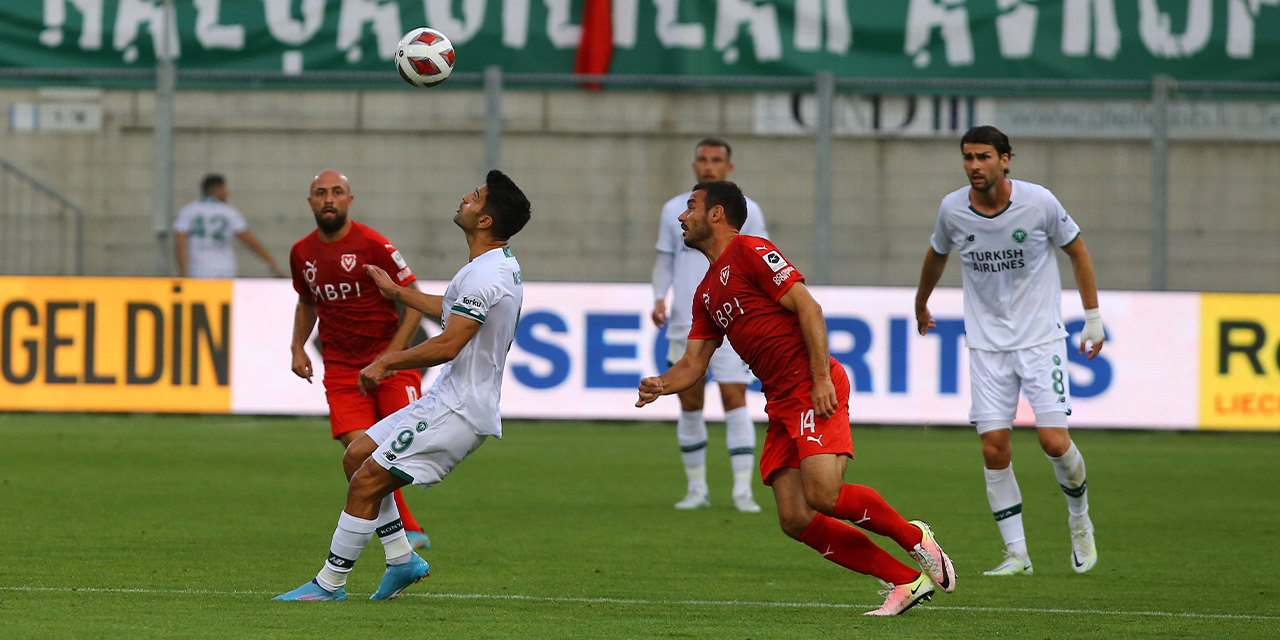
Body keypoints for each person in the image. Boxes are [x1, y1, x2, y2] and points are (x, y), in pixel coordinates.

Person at [637, 181, 955, 616]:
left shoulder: (752, 250)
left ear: (716, 214)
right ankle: (903, 580)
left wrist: (820, 377)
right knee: (795, 517)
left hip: (809, 383)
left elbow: (809, 308)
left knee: (824, 494)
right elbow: (693, 365)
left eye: (690, 207)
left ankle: (913, 537)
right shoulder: (706, 292)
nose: (681, 217)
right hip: (780, 399)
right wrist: (661, 383)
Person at [275, 169, 530, 601]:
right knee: (358, 458)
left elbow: (449, 343)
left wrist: (388, 361)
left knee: (366, 482)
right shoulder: (488, 267)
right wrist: (396, 292)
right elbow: (448, 308)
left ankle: (329, 584)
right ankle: (401, 558)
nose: (465, 197)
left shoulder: (487, 275)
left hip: (460, 409)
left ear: (486, 220)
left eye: (476, 196)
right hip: (446, 397)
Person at [914, 125, 1104, 577]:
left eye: (983, 157)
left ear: (1005, 159)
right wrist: (921, 301)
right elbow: (937, 253)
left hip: (1041, 340)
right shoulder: (953, 209)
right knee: (994, 449)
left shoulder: (1039, 202)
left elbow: (1077, 252)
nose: (974, 166)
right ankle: (1017, 553)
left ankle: (1080, 522)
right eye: (967, 157)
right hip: (986, 347)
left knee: (1053, 442)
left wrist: (1092, 318)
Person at [287, 169, 430, 552]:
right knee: (362, 454)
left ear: (350, 200)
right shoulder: (302, 253)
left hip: (390, 364)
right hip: (342, 370)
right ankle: (408, 533)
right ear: (310, 202)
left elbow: (413, 300)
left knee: (398, 450)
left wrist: (391, 357)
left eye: (337, 192)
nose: (329, 198)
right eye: (320, 192)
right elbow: (306, 302)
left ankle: (402, 534)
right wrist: (297, 346)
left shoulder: (372, 244)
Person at [652, 137, 767, 513]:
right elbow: (665, 261)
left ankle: (741, 492)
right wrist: (658, 298)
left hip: (734, 318)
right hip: (688, 319)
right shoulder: (675, 210)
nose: (709, 165)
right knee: (689, 401)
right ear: (694, 165)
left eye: (717, 160)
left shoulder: (749, 212)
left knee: (736, 399)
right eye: (703, 159)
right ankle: (697, 488)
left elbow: (761, 262)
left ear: (728, 167)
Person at [173, 174, 285, 278]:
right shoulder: (229, 212)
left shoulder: (188, 211)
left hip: (198, 271)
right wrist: (274, 265)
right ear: (217, 190)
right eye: (225, 189)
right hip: (225, 270)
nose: (227, 193)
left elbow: (180, 244)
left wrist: (183, 272)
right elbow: (251, 242)